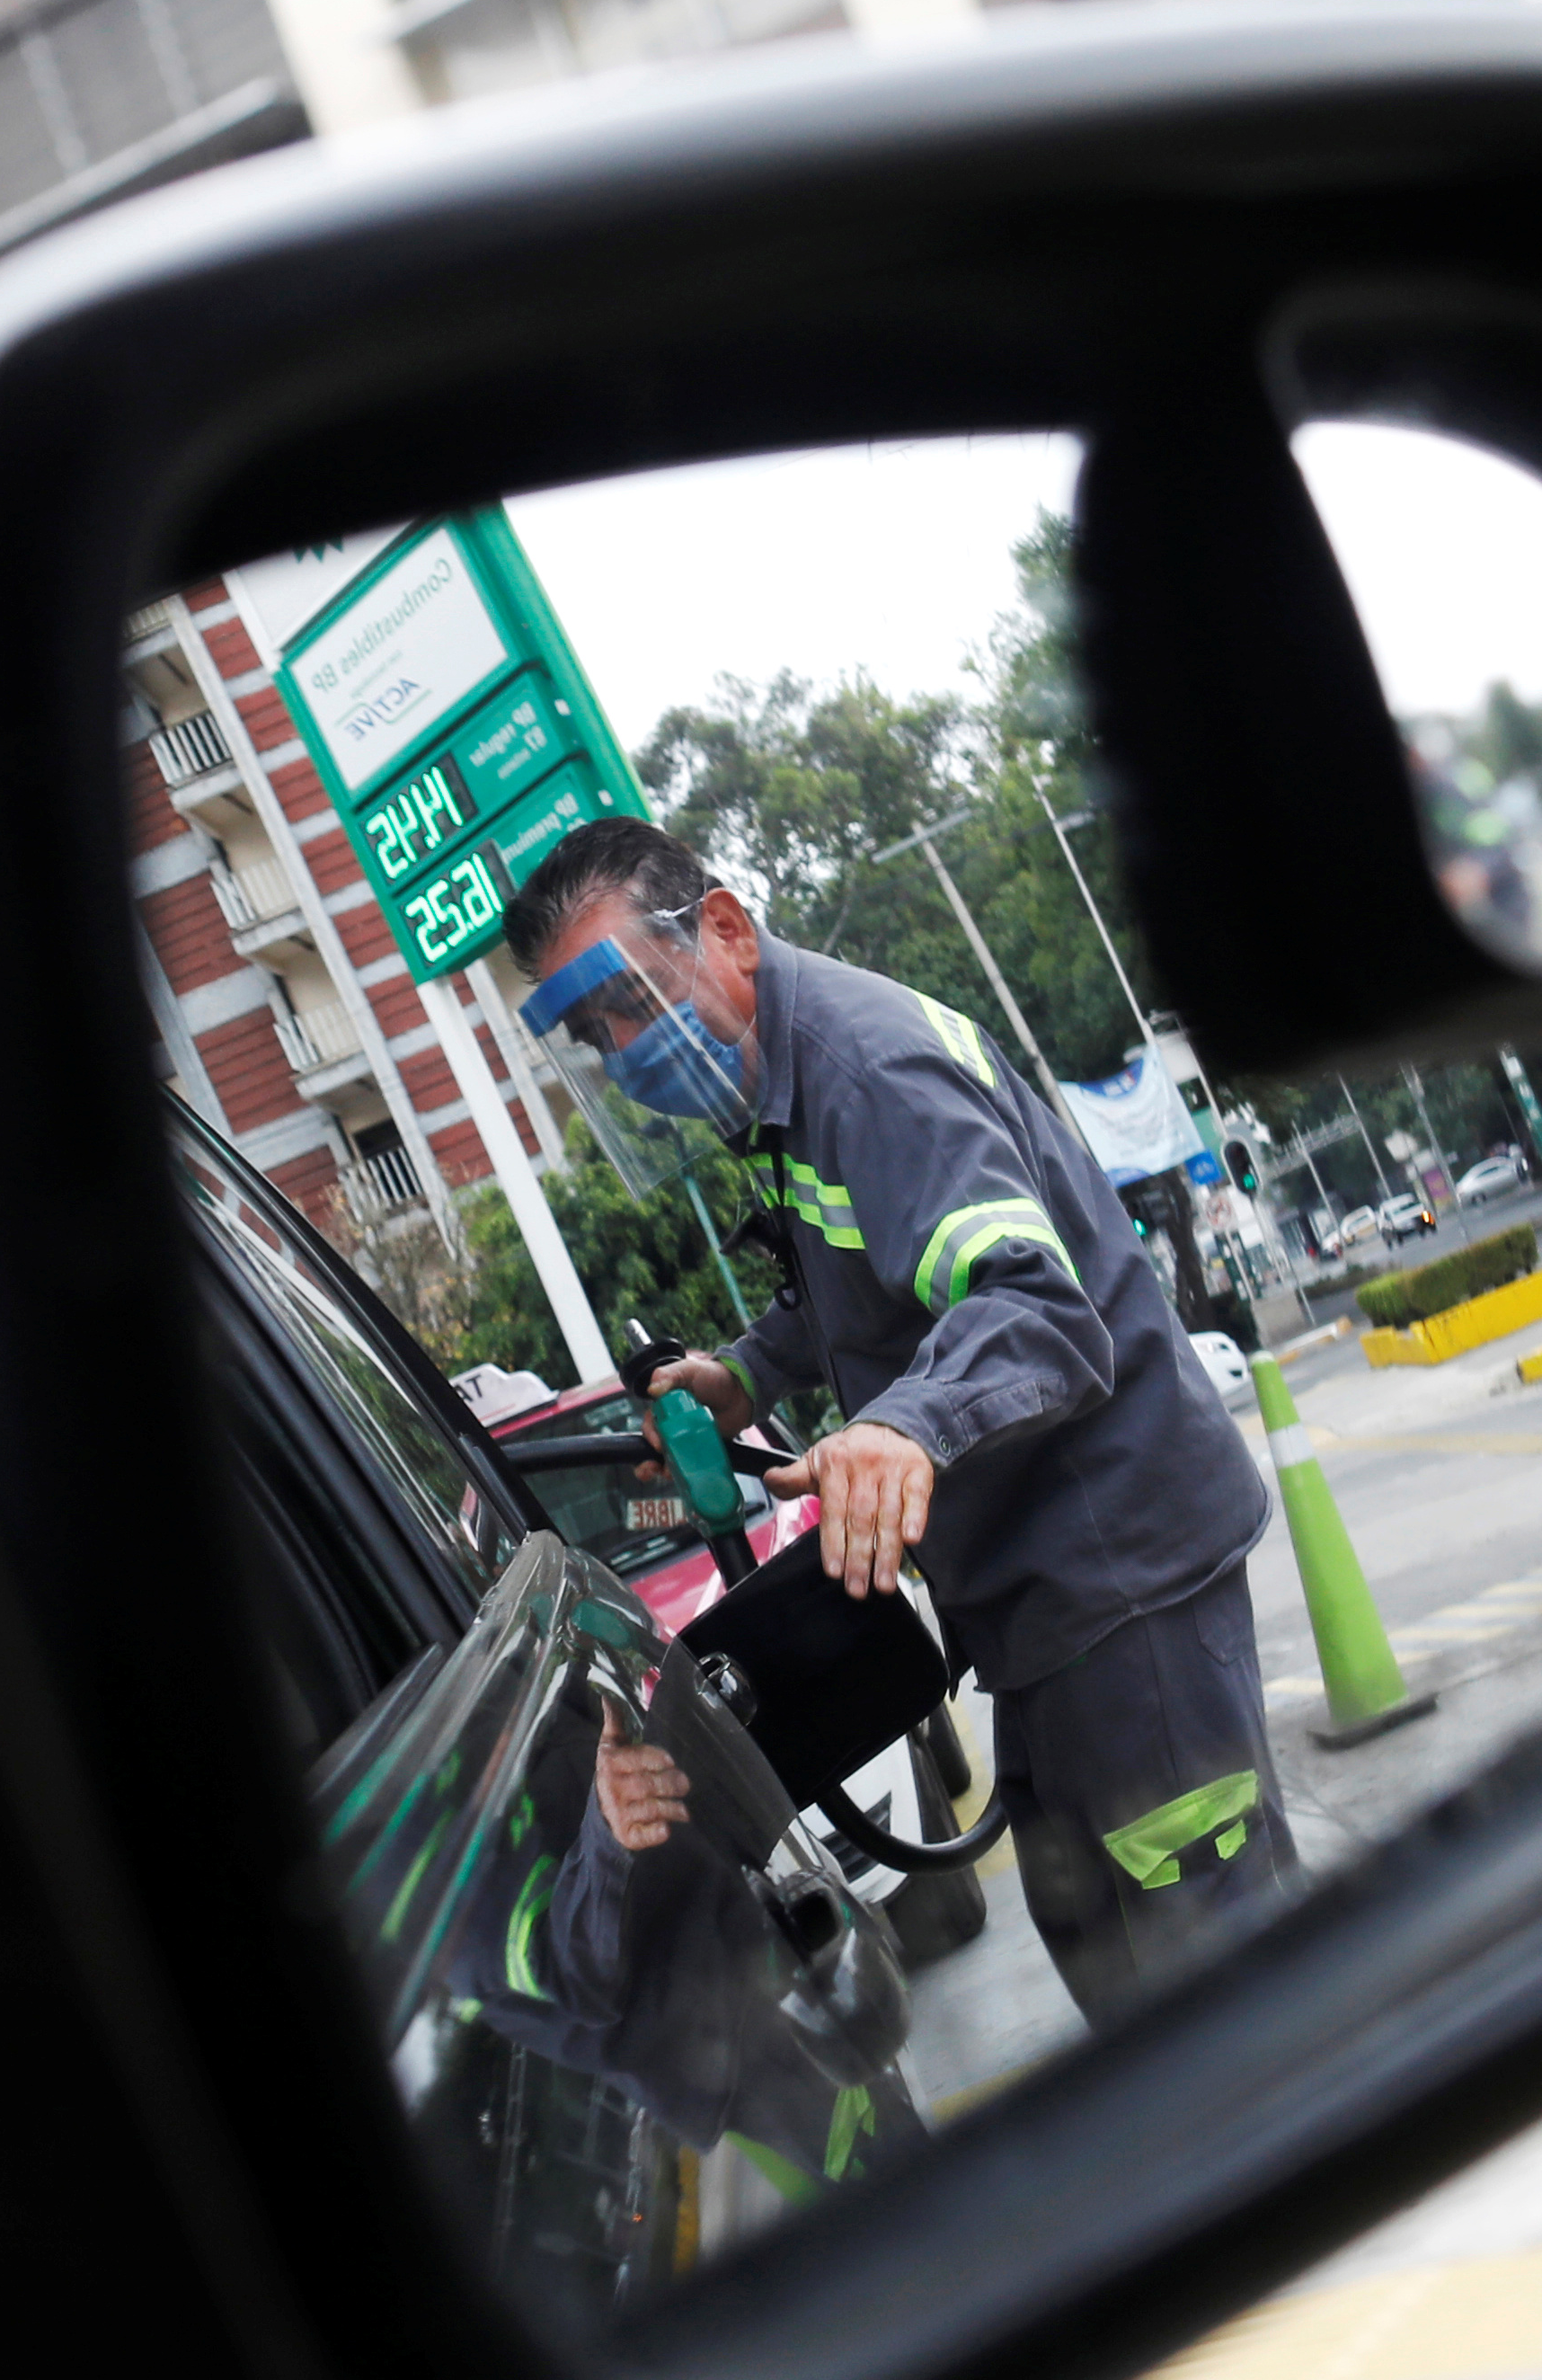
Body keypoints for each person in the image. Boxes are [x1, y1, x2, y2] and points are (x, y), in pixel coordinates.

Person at [508, 815, 1297, 2021]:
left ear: (720, 926)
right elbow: (868, 1271)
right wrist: (747, 1374)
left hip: (1114, 1578)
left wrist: (904, 1426)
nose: (620, 1052)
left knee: (1225, 1989)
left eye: (626, 1001)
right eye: (591, 1033)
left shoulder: (863, 1071)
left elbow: (1032, 1302)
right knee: (1117, 1969)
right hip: (1042, 1605)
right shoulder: (784, 1094)